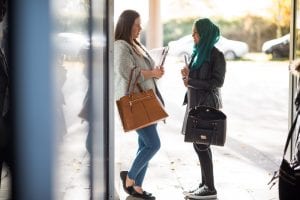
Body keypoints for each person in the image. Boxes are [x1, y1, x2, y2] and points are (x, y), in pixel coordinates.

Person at [114, 10, 165, 200]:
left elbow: (145, 72)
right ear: (127, 25)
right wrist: (152, 73)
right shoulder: (120, 45)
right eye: (137, 24)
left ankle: (137, 187)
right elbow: (126, 72)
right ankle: (130, 177)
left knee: (144, 144)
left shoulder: (135, 45)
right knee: (153, 144)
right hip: (135, 103)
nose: (140, 28)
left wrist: (156, 72)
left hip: (147, 101)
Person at [181, 18, 226, 199]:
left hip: (206, 106)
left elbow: (217, 82)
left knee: (201, 144)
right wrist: (187, 76)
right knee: (198, 144)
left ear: (205, 34)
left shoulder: (216, 55)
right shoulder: (197, 53)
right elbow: (194, 81)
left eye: (196, 33)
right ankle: (204, 183)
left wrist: (191, 80)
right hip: (195, 104)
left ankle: (210, 188)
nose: (193, 36)